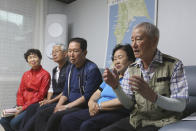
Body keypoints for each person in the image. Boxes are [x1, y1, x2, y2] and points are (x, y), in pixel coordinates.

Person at [102, 22, 188, 131]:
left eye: (138, 39)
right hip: (137, 120)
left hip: (163, 121)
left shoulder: (174, 65)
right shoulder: (132, 68)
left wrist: (153, 96)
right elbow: (128, 105)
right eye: (132, 40)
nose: (133, 45)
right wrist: (116, 87)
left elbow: (181, 105)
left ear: (154, 41)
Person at [59, 44, 136, 131]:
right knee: (68, 119)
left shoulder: (132, 78)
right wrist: (91, 103)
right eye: (115, 59)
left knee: (87, 126)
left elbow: (124, 101)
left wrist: (99, 106)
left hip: (116, 112)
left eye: (120, 57)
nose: (117, 61)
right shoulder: (111, 77)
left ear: (130, 60)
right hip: (97, 109)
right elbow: (96, 94)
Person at [33, 37, 103, 131]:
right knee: (43, 111)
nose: (71, 55)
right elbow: (66, 91)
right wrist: (59, 105)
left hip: (82, 106)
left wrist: (65, 107)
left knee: (56, 116)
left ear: (84, 53)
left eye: (75, 51)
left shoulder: (91, 69)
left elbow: (87, 96)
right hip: (69, 103)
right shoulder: (70, 68)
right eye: (70, 51)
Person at [20, 44, 69, 131]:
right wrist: (48, 100)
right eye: (52, 52)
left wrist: (49, 101)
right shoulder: (55, 69)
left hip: (63, 99)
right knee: (32, 107)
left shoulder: (70, 69)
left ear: (65, 54)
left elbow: (66, 90)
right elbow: (52, 88)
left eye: (56, 51)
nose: (53, 54)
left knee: (41, 109)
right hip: (53, 98)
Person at [0, 49, 50, 131]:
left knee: (14, 123)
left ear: (40, 58)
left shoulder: (45, 74)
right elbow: (20, 91)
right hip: (22, 104)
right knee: (3, 120)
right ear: (27, 60)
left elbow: (41, 96)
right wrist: (20, 105)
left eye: (35, 57)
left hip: (34, 105)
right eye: (30, 57)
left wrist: (23, 107)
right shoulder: (26, 74)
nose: (32, 59)